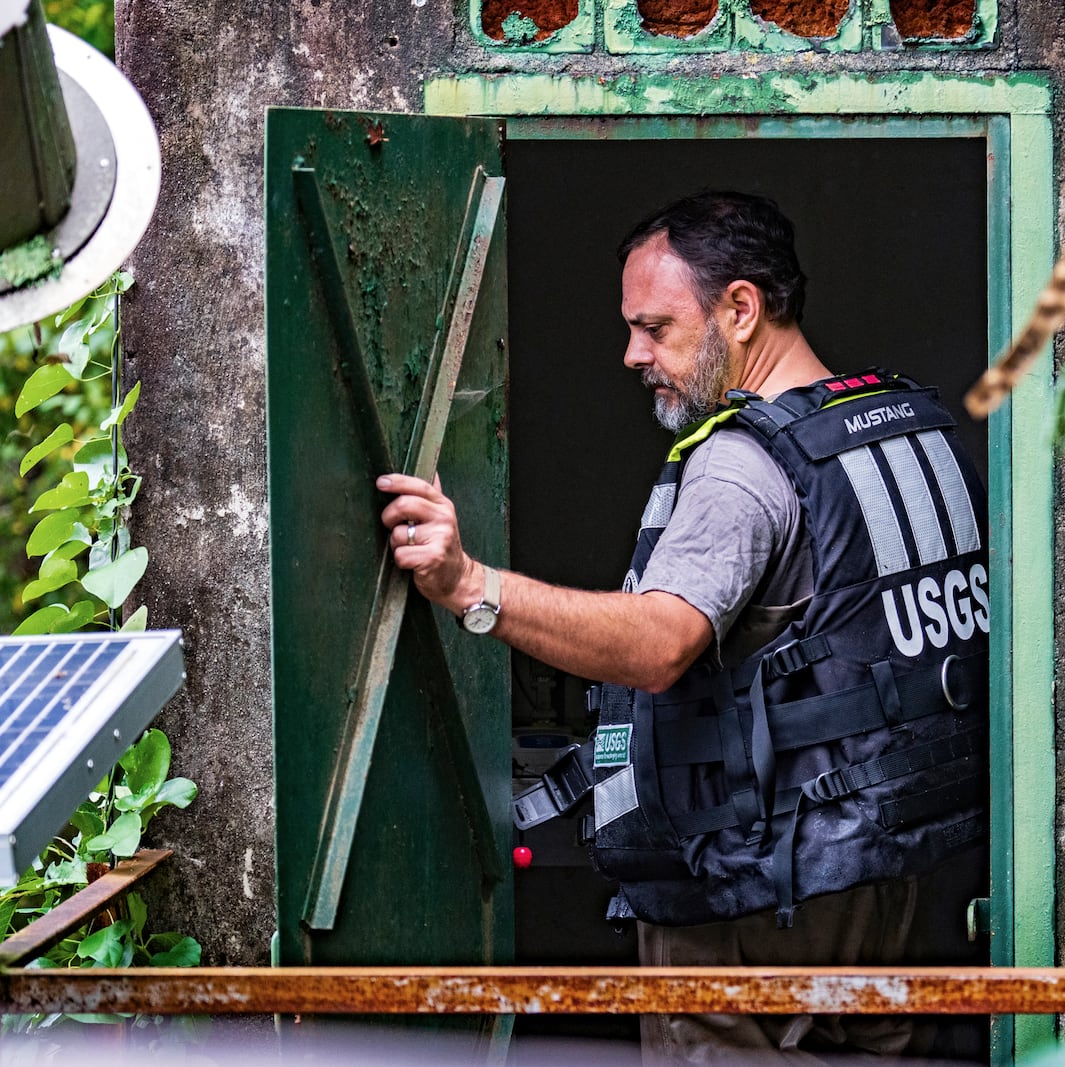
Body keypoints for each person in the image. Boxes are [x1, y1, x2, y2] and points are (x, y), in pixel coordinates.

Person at [378, 192, 989, 1063]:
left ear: (741, 309)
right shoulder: (897, 426)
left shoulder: (741, 467)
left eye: (655, 326)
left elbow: (660, 643)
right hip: (885, 870)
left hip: (753, 894)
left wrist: (470, 584)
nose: (633, 353)